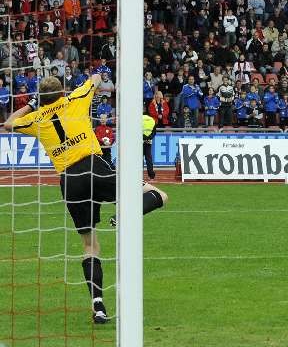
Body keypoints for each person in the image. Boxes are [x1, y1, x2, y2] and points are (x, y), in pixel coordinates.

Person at [3, 74, 169, 325]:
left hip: (70, 181)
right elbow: (95, 78)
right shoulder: (75, 99)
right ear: (61, 92)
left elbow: (8, 124)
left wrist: (32, 104)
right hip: (95, 167)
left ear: (42, 97)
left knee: (90, 246)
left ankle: (98, 306)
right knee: (159, 195)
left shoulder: (36, 118)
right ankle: (125, 215)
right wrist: (94, 77)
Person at [142, 112, 156, 180]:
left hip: (140, 142)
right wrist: (149, 137)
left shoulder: (139, 119)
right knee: (149, 159)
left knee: (139, 159)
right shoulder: (152, 120)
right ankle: (151, 176)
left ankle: (139, 175)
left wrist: (144, 137)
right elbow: (154, 132)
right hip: (149, 142)